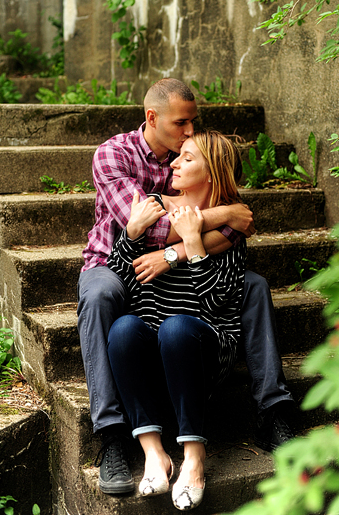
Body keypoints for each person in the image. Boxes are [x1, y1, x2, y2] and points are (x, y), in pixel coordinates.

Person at [77, 78, 295, 496]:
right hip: (113, 262)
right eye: (182, 123)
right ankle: (112, 435)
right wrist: (224, 213)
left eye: (194, 123)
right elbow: (148, 228)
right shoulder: (114, 154)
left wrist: (180, 250)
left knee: (253, 286)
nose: (190, 132)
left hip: (182, 264)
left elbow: (231, 231)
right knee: (102, 296)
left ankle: (274, 411)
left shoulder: (191, 152)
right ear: (152, 118)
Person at [106, 131, 246, 511]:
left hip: (204, 349)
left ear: (212, 173)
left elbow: (220, 302)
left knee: (178, 328)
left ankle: (194, 456)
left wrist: (194, 245)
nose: (172, 164)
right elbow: (120, 273)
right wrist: (132, 234)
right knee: (122, 329)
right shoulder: (153, 207)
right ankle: (155, 454)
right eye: (177, 157)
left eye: (186, 158)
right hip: (153, 348)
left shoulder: (230, 229)